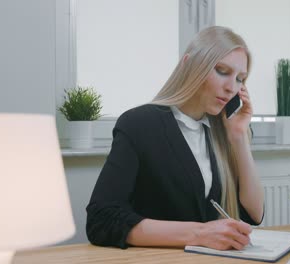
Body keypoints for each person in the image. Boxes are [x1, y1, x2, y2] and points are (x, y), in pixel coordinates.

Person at [86, 26, 264, 251]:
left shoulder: (224, 130)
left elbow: (254, 214)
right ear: (189, 64)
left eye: (240, 79)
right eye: (222, 71)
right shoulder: (138, 124)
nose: (231, 88)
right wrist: (200, 233)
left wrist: (239, 137)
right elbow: (101, 220)